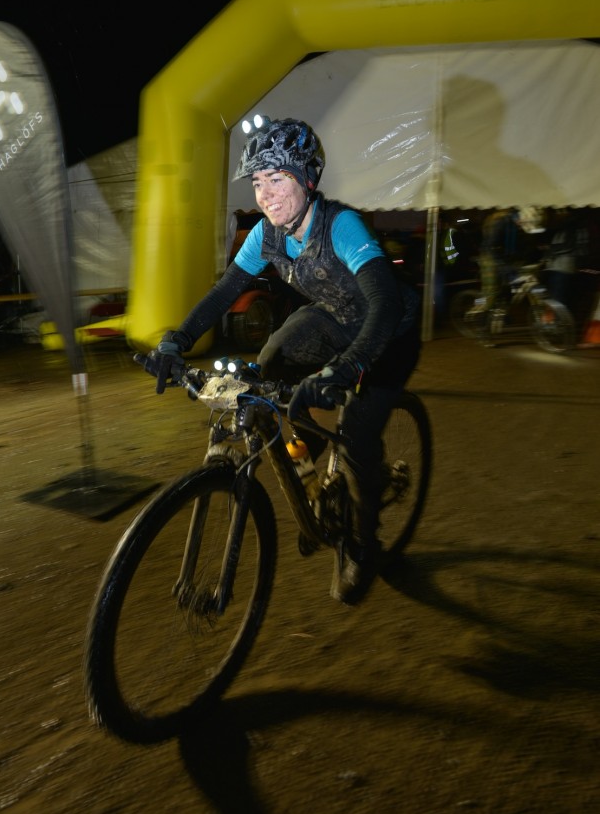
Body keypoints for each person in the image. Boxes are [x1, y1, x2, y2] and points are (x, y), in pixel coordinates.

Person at [154, 116, 421, 606]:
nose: (266, 195)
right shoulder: (267, 234)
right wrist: (177, 339)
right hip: (336, 317)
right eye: (258, 182)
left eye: (277, 179)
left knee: (357, 431)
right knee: (271, 366)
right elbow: (224, 292)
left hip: (390, 331)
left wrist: (346, 369)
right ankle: (312, 481)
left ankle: (364, 545)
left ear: (307, 180)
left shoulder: (340, 225)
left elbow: (383, 304)